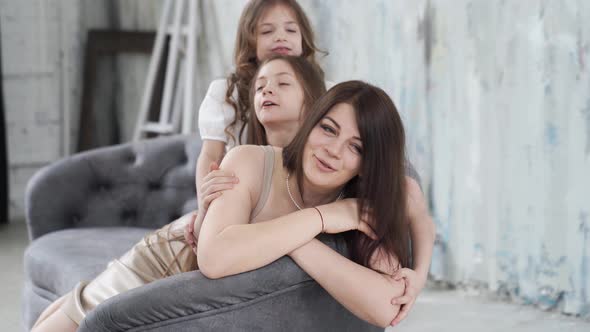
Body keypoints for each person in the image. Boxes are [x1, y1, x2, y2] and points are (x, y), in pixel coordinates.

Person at [193, 0, 435, 324]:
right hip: (228, 202)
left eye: (291, 29)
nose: (334, 149)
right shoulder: (235, 114)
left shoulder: (338, 101)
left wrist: (417, 275)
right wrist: (204, 208)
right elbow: (210, 164)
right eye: (267, 30)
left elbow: (414, 208)